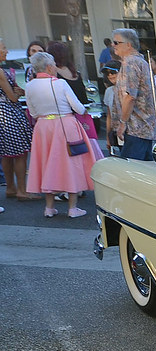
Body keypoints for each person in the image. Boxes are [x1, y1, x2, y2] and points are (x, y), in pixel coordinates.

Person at [24, 51, 97, 218]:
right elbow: (78, 107)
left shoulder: (29, 86)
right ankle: (72, 208)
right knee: (72, 163)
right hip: (65, 124)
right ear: (49, 67)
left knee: (46, 164)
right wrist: (85, 110)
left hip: (43, 127)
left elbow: (33, 113)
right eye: (54, 65)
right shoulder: (61, 84)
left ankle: (49, 207)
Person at [111, 28, 156, 160]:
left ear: (128, 45)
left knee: (130, 173)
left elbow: (130, 96)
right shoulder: (140, 62)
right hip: (142, 129)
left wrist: (122, 123)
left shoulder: (131, 63)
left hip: (136, 129)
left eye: (116, 42)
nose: (112, 45)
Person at [0, 38, 35, 201]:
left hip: (3, 113)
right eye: (4, 48)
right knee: (20, 154)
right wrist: (18, 93)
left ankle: (11, 188)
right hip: (8, 113)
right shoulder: (0, 71)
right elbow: (12, 97)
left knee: (6, 155)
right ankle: (22, 189)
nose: (6, 51)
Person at [48, 41, 98, 142]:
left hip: (62, 120)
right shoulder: (74, 72)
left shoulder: (54, 75)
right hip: (78, 118)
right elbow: (83, 98)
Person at [101, 61, 121, 152]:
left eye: (113, 72)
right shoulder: (109, 91)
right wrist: (108, 137)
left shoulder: (129, 89)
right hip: (116, 132)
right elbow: (109, 116)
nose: (110, 75)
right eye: (107, 73)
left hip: (131, 133)